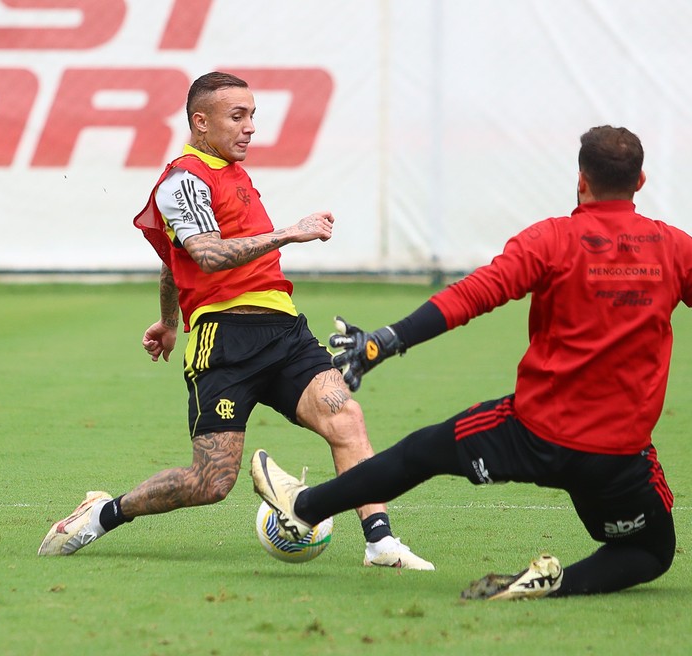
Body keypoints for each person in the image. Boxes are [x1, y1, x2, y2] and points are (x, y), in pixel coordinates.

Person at [247, 125, 692, 599]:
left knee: (419, 455)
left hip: (531, 433)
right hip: (616, 455)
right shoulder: (679, 250)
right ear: (640, 182)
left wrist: (384, 341)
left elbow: (474, 296)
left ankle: (303, 509)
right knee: (652, 551)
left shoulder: (551, 238)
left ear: (580, 180)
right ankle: (556, 583)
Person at [38, 71, 434, 571]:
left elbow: (171, 261)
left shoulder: (232, 173)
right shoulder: (183, 179)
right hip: (224, 341)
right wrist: (290, 233)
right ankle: (104, 513)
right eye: (237, 116)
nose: (250, 128)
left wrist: (166, 321)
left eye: (252, 116)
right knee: (211, 482)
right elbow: (202, 255)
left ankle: (380, 543)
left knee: (346, 417)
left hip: (285, 331)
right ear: (200, 122)